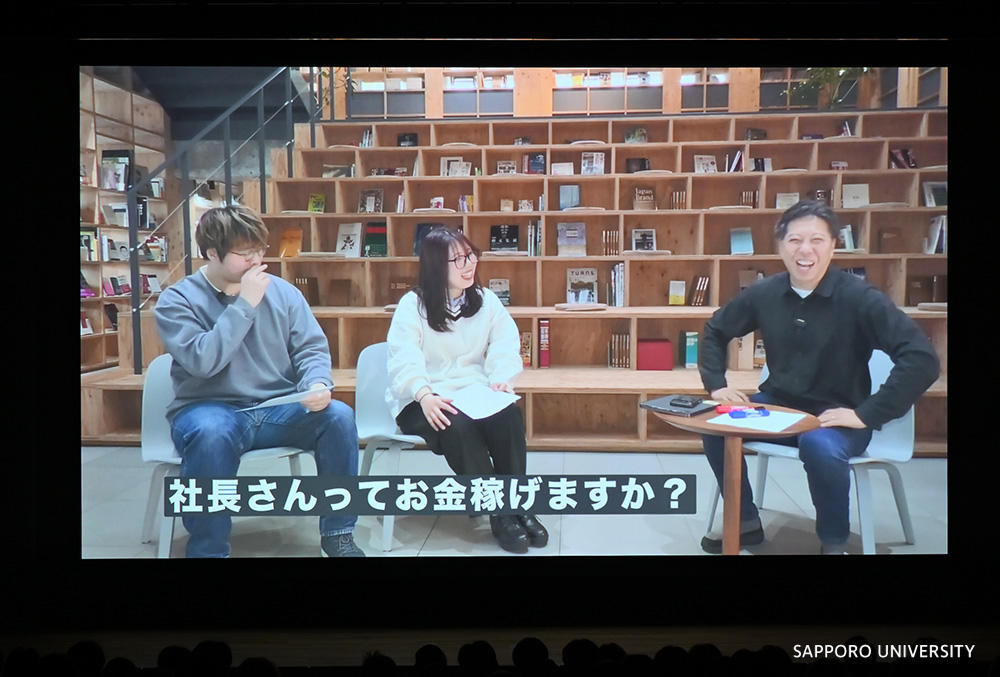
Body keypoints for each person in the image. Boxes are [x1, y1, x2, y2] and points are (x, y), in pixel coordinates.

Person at [698, 200, 939, 554]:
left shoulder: (860, 298)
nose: (805, 251)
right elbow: (715, 330)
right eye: (795, 240)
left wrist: (867, 414)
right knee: (716, 427)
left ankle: (833, 541)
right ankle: (745, 522)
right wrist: (717, 385)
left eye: (816, 240)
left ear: (833, 245)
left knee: (819, 445)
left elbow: (921, 359)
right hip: (779, 409)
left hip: (838, 415)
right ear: (780, 246)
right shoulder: (766, 293)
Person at [153, 205, 364, 558]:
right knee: (211, 433)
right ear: (212, 253)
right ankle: (208, 550)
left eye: (259, 250)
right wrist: (245, 304)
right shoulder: (178, 300)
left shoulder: (283, 292)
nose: (256, 261)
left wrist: (316, 384)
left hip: (277, 407)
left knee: (339, 417)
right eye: (244, 253)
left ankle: (339, 533)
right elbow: (204, 361)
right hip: (210, 408)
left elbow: (310, 348)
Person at [385, 226, 547, 554]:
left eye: (470, 255)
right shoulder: (412, 305)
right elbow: (403, 357)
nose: (468, 264)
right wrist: (424, 394)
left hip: (473, 390)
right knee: (457, 425)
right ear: (436, 267)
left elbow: (505, 343)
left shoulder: (485, 300)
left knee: (509, 417)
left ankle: (518, 502)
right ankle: (499, 512)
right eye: (457, 259)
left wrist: (501, 378)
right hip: (421, 398)